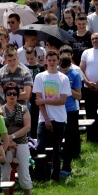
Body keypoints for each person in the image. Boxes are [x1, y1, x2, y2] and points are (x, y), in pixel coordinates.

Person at [34, 50, 71, 180]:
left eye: (54, 60)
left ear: (58, 61)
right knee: (40, 147)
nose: (51, 63)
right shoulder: (39, 77)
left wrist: (44, 100)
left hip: (60, 118)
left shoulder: (63, 78)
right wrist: (46, 119)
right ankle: (41, 175)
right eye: (49, 60)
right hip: (43, 118)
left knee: (57, 148)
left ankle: (56, 175)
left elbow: (62, 100)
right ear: (46, 61)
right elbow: (38, 101)